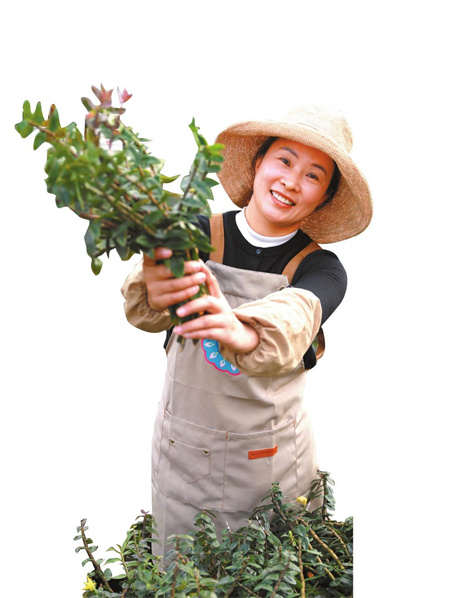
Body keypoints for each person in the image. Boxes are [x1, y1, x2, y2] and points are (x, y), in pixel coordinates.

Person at [121, 104, 372, 557]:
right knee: (179, 573)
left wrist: (246, 332)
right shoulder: (195, 234)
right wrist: (156, 285)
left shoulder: (321, 269)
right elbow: (149, 309)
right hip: (185, 456)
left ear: (323, 198)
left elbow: (299, 311)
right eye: (284, 160)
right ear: (258, 163)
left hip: (271, 468)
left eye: (313, 176)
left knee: (273, 571)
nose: (292, 181)